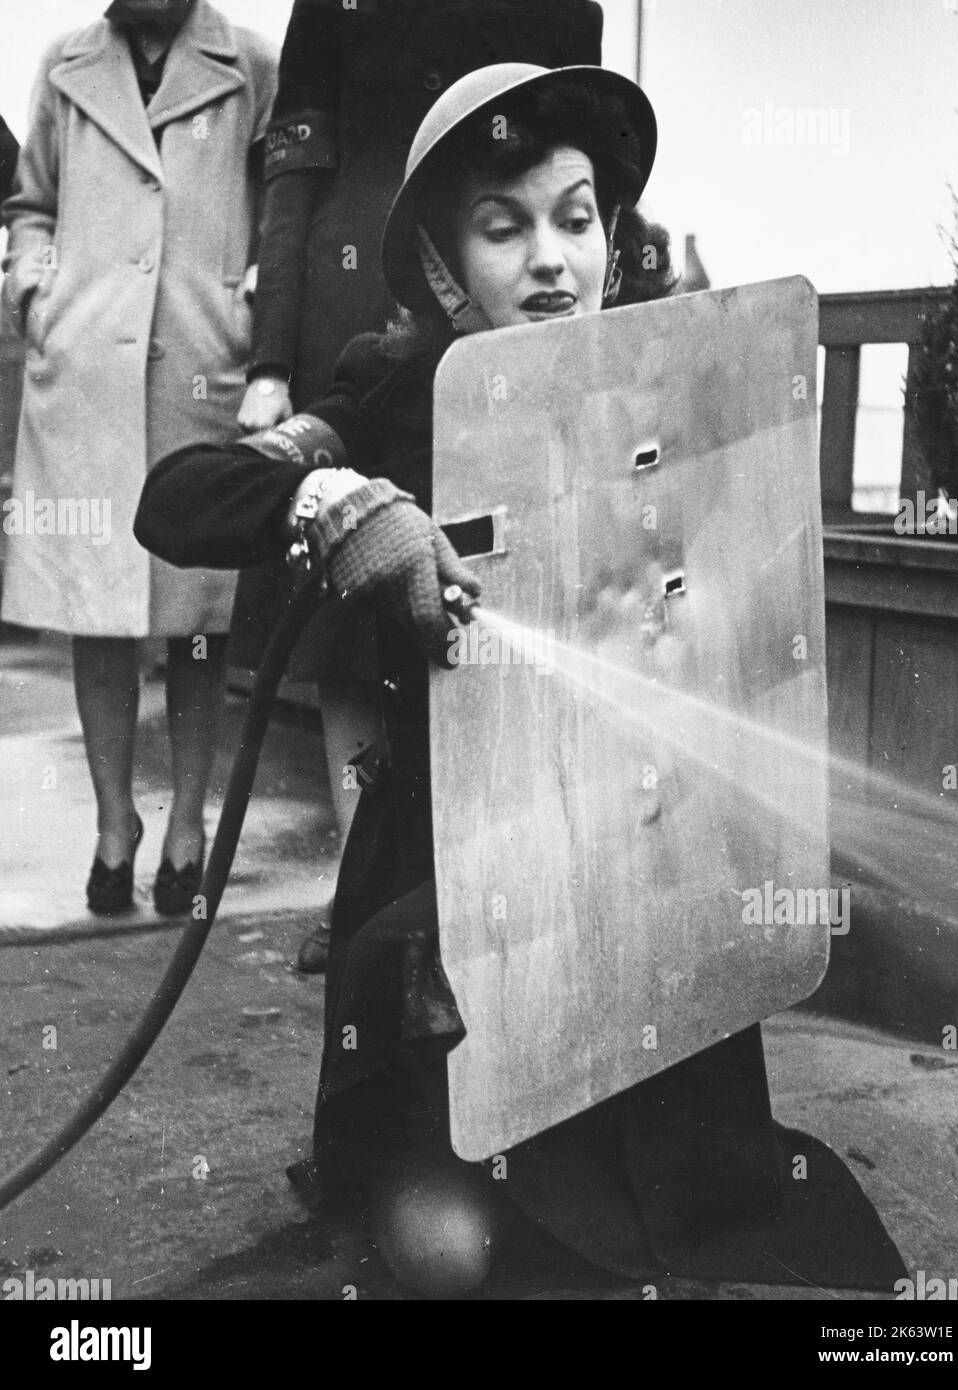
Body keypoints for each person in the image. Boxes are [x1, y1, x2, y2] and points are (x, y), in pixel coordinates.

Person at [135, 64, 905, 1298]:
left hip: (634, 872)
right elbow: (172, 499)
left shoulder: (655, 383)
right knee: (449, 1257)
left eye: (576, 215)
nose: (552, 258)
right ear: (444, 266)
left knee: (702, 1222)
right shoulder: (391, 391)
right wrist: (333, 499)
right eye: (505, 227)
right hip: (450, 899)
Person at [230, 0, 605, 973]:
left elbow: (580, 181)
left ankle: (508, 882)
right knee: (347, 620)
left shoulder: (568, 6)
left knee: (495, 583)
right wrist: (272, 358)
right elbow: (291, 179)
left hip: (505, 305)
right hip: (354, 300)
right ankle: (369, 894)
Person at [1, 1, 276, 915]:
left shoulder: (249, 64)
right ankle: (114, 827)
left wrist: (253, 299)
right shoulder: (64, 64)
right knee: (95, 605)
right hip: (83, 368)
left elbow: (281, 201)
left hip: (199, 365)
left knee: (199, 607)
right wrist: (33, 281)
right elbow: (31, 202)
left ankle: (188, 826)